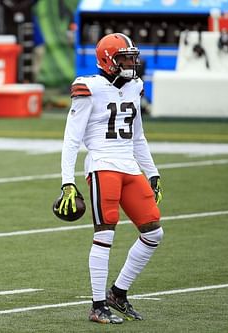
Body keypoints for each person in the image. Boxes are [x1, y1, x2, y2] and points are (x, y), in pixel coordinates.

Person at [55, 33, 164, 324]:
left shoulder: (135, 86)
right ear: (108, 60)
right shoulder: (89, 87)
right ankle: (97, 304)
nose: (131, 62)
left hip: (129, 166)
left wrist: (151, 171)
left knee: (154, 233)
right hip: (103, 166)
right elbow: (71, 139)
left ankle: (118, 292)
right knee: (105, 234)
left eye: (132, 57)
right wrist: (68, 181)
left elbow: (137, 135)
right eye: (125, 57)